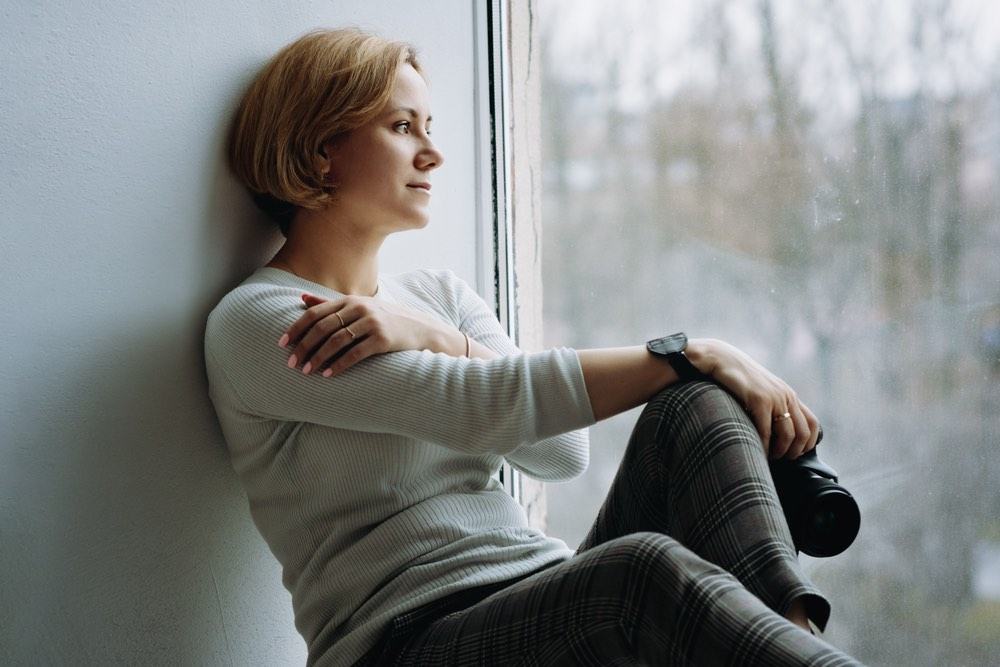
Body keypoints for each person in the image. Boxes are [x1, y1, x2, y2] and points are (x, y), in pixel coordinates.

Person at [205, 27, 864, 666]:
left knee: (697, 406)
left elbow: (558, 448)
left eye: (429, 128)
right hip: (404, 638)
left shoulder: (437, 295)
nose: (431, 154)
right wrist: (688, 348)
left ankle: (796, 638)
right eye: (403, 128)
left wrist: (446, 338)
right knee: (640, 570)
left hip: (536, 597)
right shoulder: (262, 321)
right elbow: (482, 408)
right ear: (322, 150)